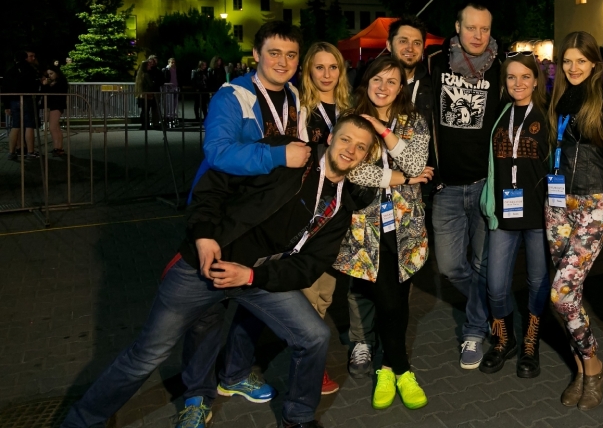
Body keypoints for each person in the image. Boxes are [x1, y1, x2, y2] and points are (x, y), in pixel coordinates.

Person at [61, 115, 379, 428]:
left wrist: (252, 277)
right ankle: (81, 421)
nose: (350, 150)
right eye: (346, 139)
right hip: (206, 264)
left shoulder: (341, 207)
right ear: (330, 137)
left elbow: (309, 267)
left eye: (360, 147)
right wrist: (203, 235)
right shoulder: (287, 153)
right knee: (147, 354)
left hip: (254, 276)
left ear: (364, 157)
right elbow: (217, 181)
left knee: (314, 336)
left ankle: (297, 419)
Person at [175, 22, 312, 428]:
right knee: (208, 310)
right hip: (222, 218)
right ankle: (196, 395)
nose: (283, 62)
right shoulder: (232, 96)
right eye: (274, 53)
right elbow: (217, 151)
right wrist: (277, 157)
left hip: (267, 222)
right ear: (256, 54)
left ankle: (234, 374)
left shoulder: (295, 97)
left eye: (291, 55)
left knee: (257, 298)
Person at [338, 16, 438, 379]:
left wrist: (382, 128)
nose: (383, 87)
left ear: (400, 88)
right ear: (367, 81)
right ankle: (392, 363)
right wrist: (402, 178)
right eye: (377, 79)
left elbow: (416, 161)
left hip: (405, 223)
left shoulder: (414, 121)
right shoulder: (351, 119)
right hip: (366, 222)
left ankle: (389, 361)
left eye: (392, 82)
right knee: (380, 295)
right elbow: (352, 169)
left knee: (397, 298)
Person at [547, 31, 603, 410]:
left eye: (581, 60)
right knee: (569, 296)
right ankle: (580, 367)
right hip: (557, 204)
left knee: (561, 292)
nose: (574, 67)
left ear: (595, 63)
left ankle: (594, 366)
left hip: (594, 203)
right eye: (567, 61)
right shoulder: (558, 99)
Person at [427, 2, 504, 369]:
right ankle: (491, 308)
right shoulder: (434, 63)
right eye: (471, 27)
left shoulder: (501, 68)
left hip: (486, 185)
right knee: (449, 267)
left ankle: (474, 331)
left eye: (484, 29)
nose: (478, 35)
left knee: (483, 263)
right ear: (457, 27)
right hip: (447, 188)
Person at [479, 53, 550, 378]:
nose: (518, 83)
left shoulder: (548, 116)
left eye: (525, 77)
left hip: (538, 215)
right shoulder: (499, 113)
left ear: (536, 80)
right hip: (504, 213)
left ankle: (530, 344)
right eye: (511, 77)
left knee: (537, 282)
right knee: (495, 284)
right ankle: (503, 339)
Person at [296, 41, 354, 393]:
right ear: (309, 71)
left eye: (333, 67)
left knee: (326, 293)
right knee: (308, 291)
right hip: (311, 212)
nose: (327, 74)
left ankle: (309, 360)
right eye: (319, 67)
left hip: (341, 210)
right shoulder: (301, 109)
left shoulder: (349, 108)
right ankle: (309, 366)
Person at [5, 50, 41, 159]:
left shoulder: (11, 70)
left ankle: (11, 152)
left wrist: (6, 105)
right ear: (25, 58)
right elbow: (35, 85)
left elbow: (5, 87)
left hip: (14, 100)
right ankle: (30, 151)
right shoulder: (30, 69)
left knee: (15, 126)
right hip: (27, 99)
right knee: (29, 126)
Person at [40, 66, 69, 157]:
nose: (50, 76)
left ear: (57, 73)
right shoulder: (57, 82)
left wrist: (45, 85)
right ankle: (59, 148)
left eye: (51, 73)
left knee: (52, 128)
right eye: (48, 74)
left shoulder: (60, 83)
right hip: (55, 106)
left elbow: (50, 93)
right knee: (56, 128)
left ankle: (58, 148)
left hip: (57, 105)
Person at [134, 58, 159, 130]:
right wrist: (154, 82)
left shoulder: (140, 75)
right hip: (147, 95)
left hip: (141, 95)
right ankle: (146, 125)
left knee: (144, 111)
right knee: (146, 111)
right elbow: (151, 85)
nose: (150, 66)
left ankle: (143, 125)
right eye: (149, 65)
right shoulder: (146, 74)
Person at [163, 57, 180, 126]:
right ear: (169, 63)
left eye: (174, 62)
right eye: (172, 62)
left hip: (176, 87)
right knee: (169, 102)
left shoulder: (176, 69)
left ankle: (172, 115)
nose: (173, 64)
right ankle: (168, 116)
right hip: (169, 88)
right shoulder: (166, 69)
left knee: (175, 102)